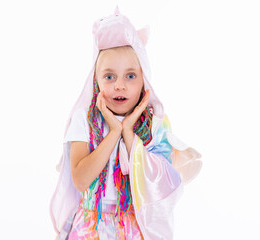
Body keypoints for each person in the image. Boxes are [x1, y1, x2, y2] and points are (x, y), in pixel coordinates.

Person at [49, 6, 202, 240]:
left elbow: (160, 184)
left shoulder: (153, 126)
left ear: (144, 80)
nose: (120, 85)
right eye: (109, 76)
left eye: (130, 76)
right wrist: (114, 132)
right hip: (91, 225)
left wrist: (129, 132)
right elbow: (80, 180)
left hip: (133, 226)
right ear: (96, 82)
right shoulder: (84, 120)